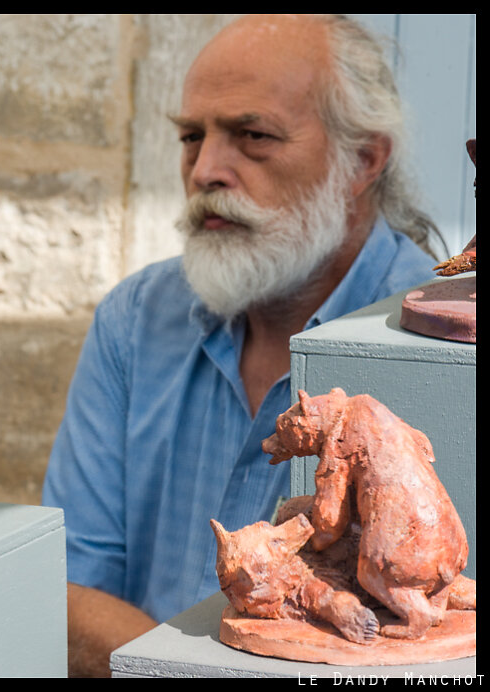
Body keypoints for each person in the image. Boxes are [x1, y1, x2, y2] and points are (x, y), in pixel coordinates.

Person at [41, 14, 441, 677]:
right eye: (191, 137)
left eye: (253, 137)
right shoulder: (137, 320)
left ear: (363, 160)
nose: (205, 171)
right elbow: (64, 594)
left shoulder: (429, 350)